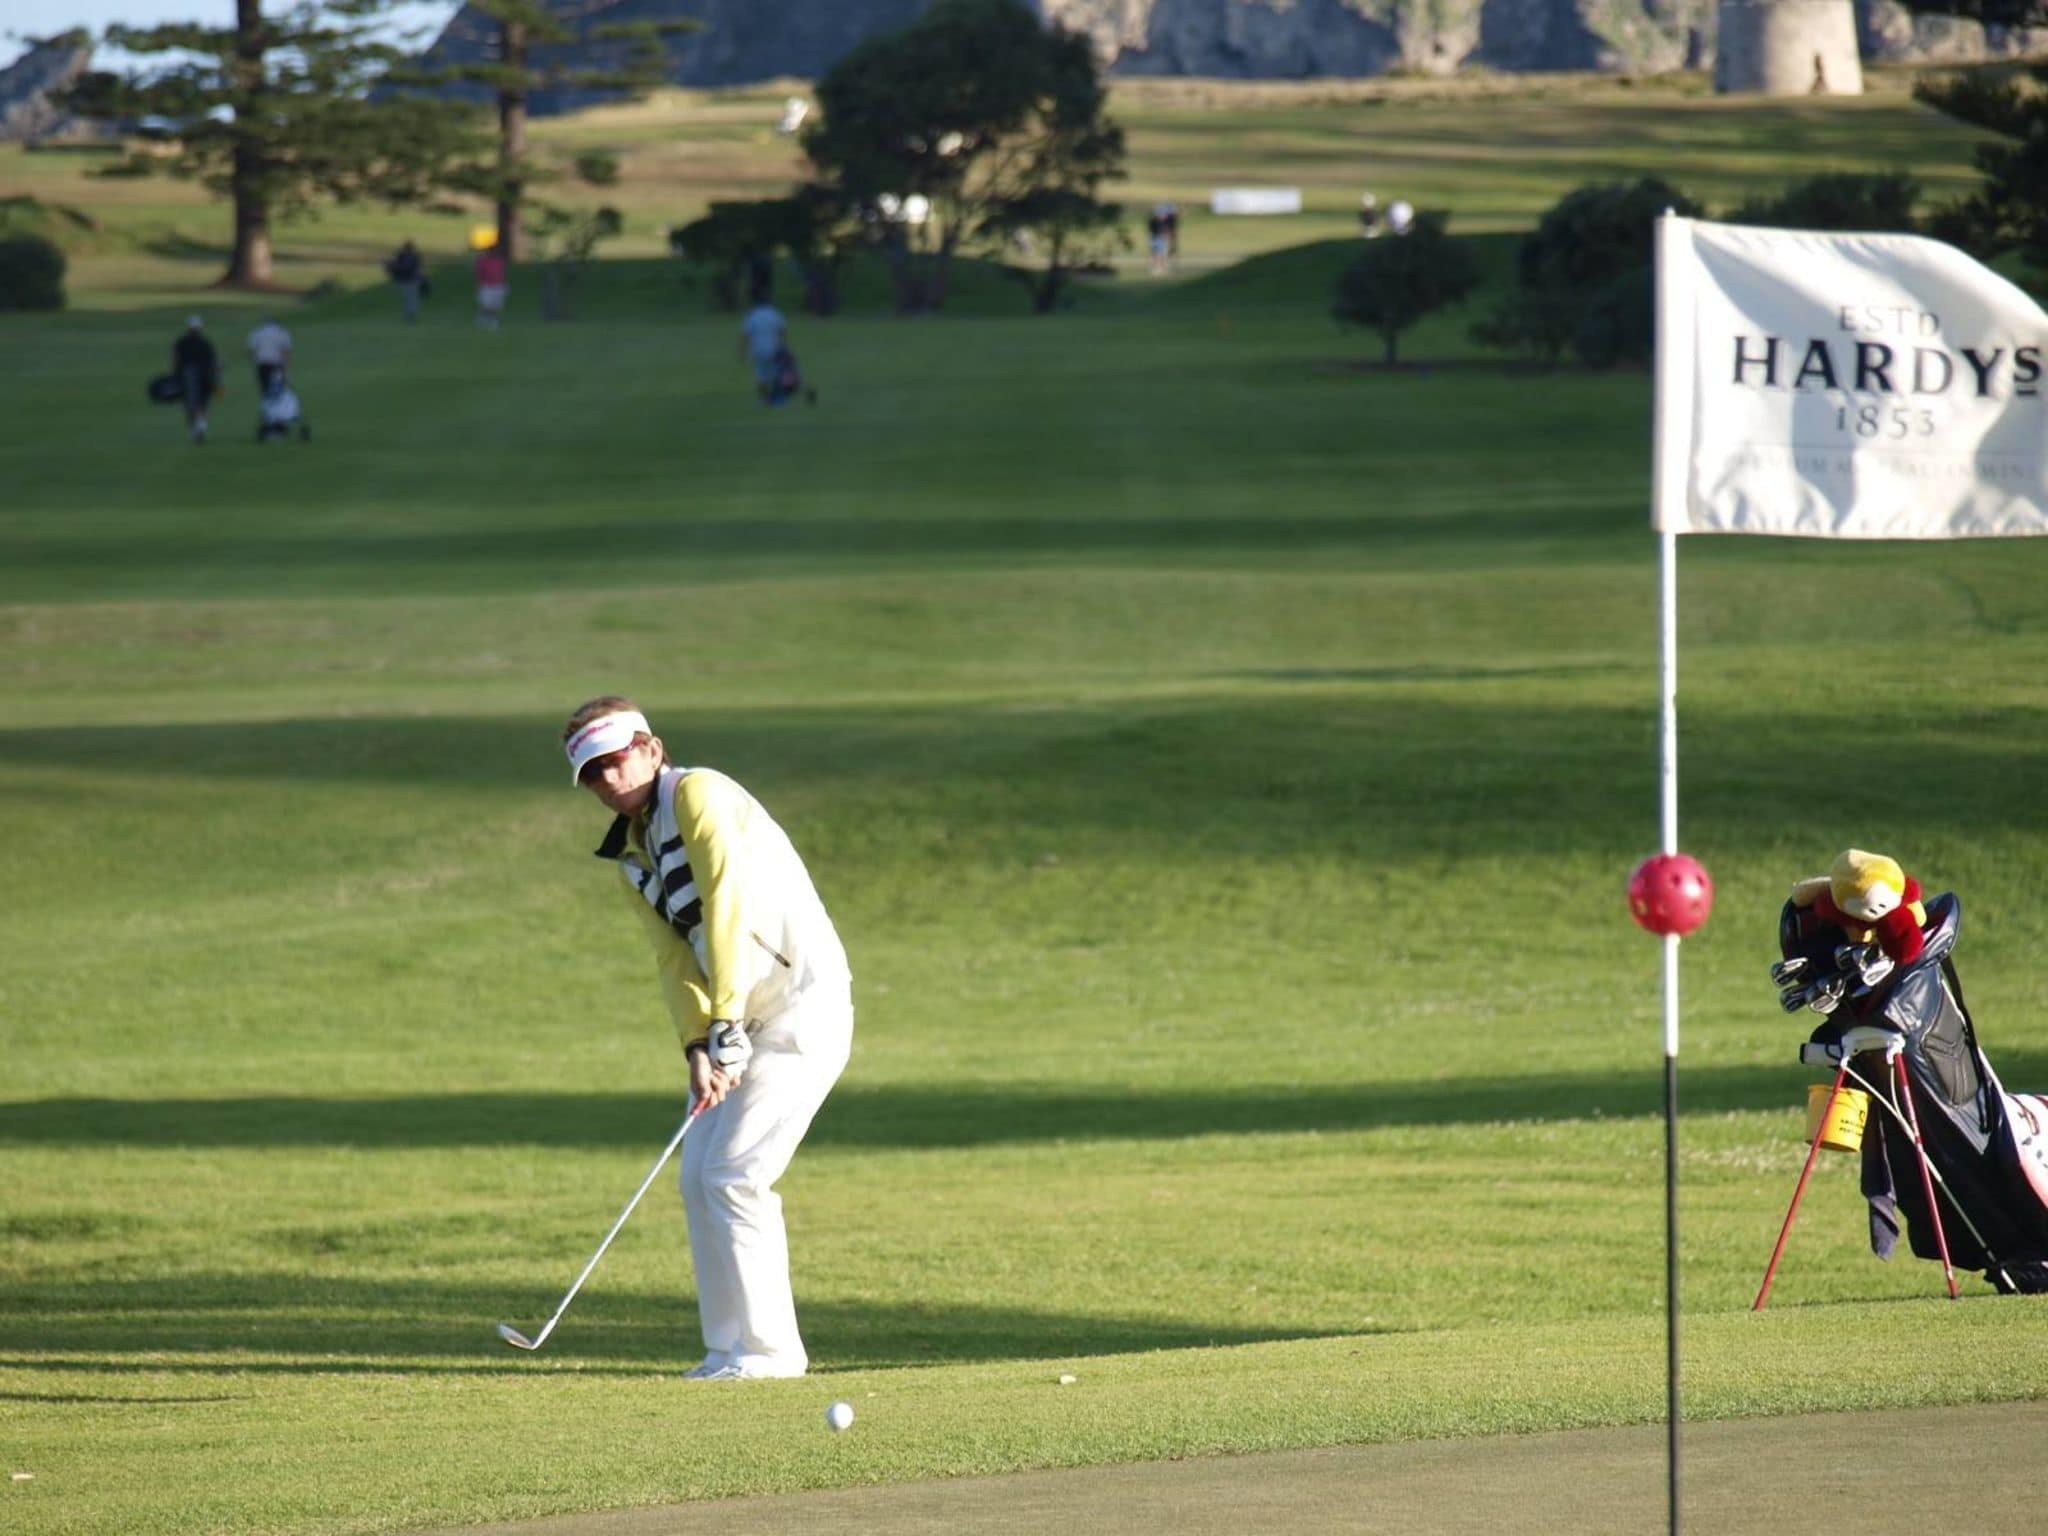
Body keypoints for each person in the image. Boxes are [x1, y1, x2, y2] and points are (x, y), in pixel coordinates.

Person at [561, 697, 853, 1380]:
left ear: (652, 748)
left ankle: (771, 1353)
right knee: (698, 1178)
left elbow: (727, 900)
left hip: (799, 1009)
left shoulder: (700, 792)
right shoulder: (630, 855)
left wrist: (723, 1019)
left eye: (615, 760)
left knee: (736, 1174)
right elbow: (674, 957)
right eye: (591, 774)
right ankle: (728, 1348)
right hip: (736, 1022)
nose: (607, 778)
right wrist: (698, 1044)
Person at [171, 315, 219, 445]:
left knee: (191, 405)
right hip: (206, 376)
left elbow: (176, 360)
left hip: (188, 376)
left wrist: (175, 375)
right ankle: (201, 425)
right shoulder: (206, 343)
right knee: (203, 403)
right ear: (200, 328)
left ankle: (196, 429)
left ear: (188, 327)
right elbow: (213, 362)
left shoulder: (181, 342)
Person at [738, 297, 789, 402]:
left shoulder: (752, 316)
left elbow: (746, 335)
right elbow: (782, 332)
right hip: (774, 348)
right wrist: (784, 347)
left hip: (758, 350)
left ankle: (764, 399)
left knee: (761, 375)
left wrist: (742, 351)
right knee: (776, 373)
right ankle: (777, 398)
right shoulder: (775, 314)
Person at [245, 314, 292, 396]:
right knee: (279, 387)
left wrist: (254, 362)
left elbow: (251, 350)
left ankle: (267, 404)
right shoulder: (282, 332)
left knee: (265, 387)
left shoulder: (257, 333)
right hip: (277, 365)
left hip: (262, 365)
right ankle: (278, 405)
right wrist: (285, 367)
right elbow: (285, 351)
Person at [386, 239, 425, 323]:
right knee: (411, 299)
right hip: (412, 280)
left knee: (408, 299)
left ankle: (409, 316)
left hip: (405, 280)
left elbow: (396, 266)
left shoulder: (402, 255)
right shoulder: (415, 256)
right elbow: (418, 269)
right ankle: (411, 316)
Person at [474, 241, 508, 329]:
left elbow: (502, 272)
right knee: (487, 304)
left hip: (498, 285)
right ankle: (488, 320)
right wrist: (481, 282)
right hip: (487, 285)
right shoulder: (482, 261)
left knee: (496, 305)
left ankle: (489, 319)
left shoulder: (499, 261)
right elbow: (479, 273)